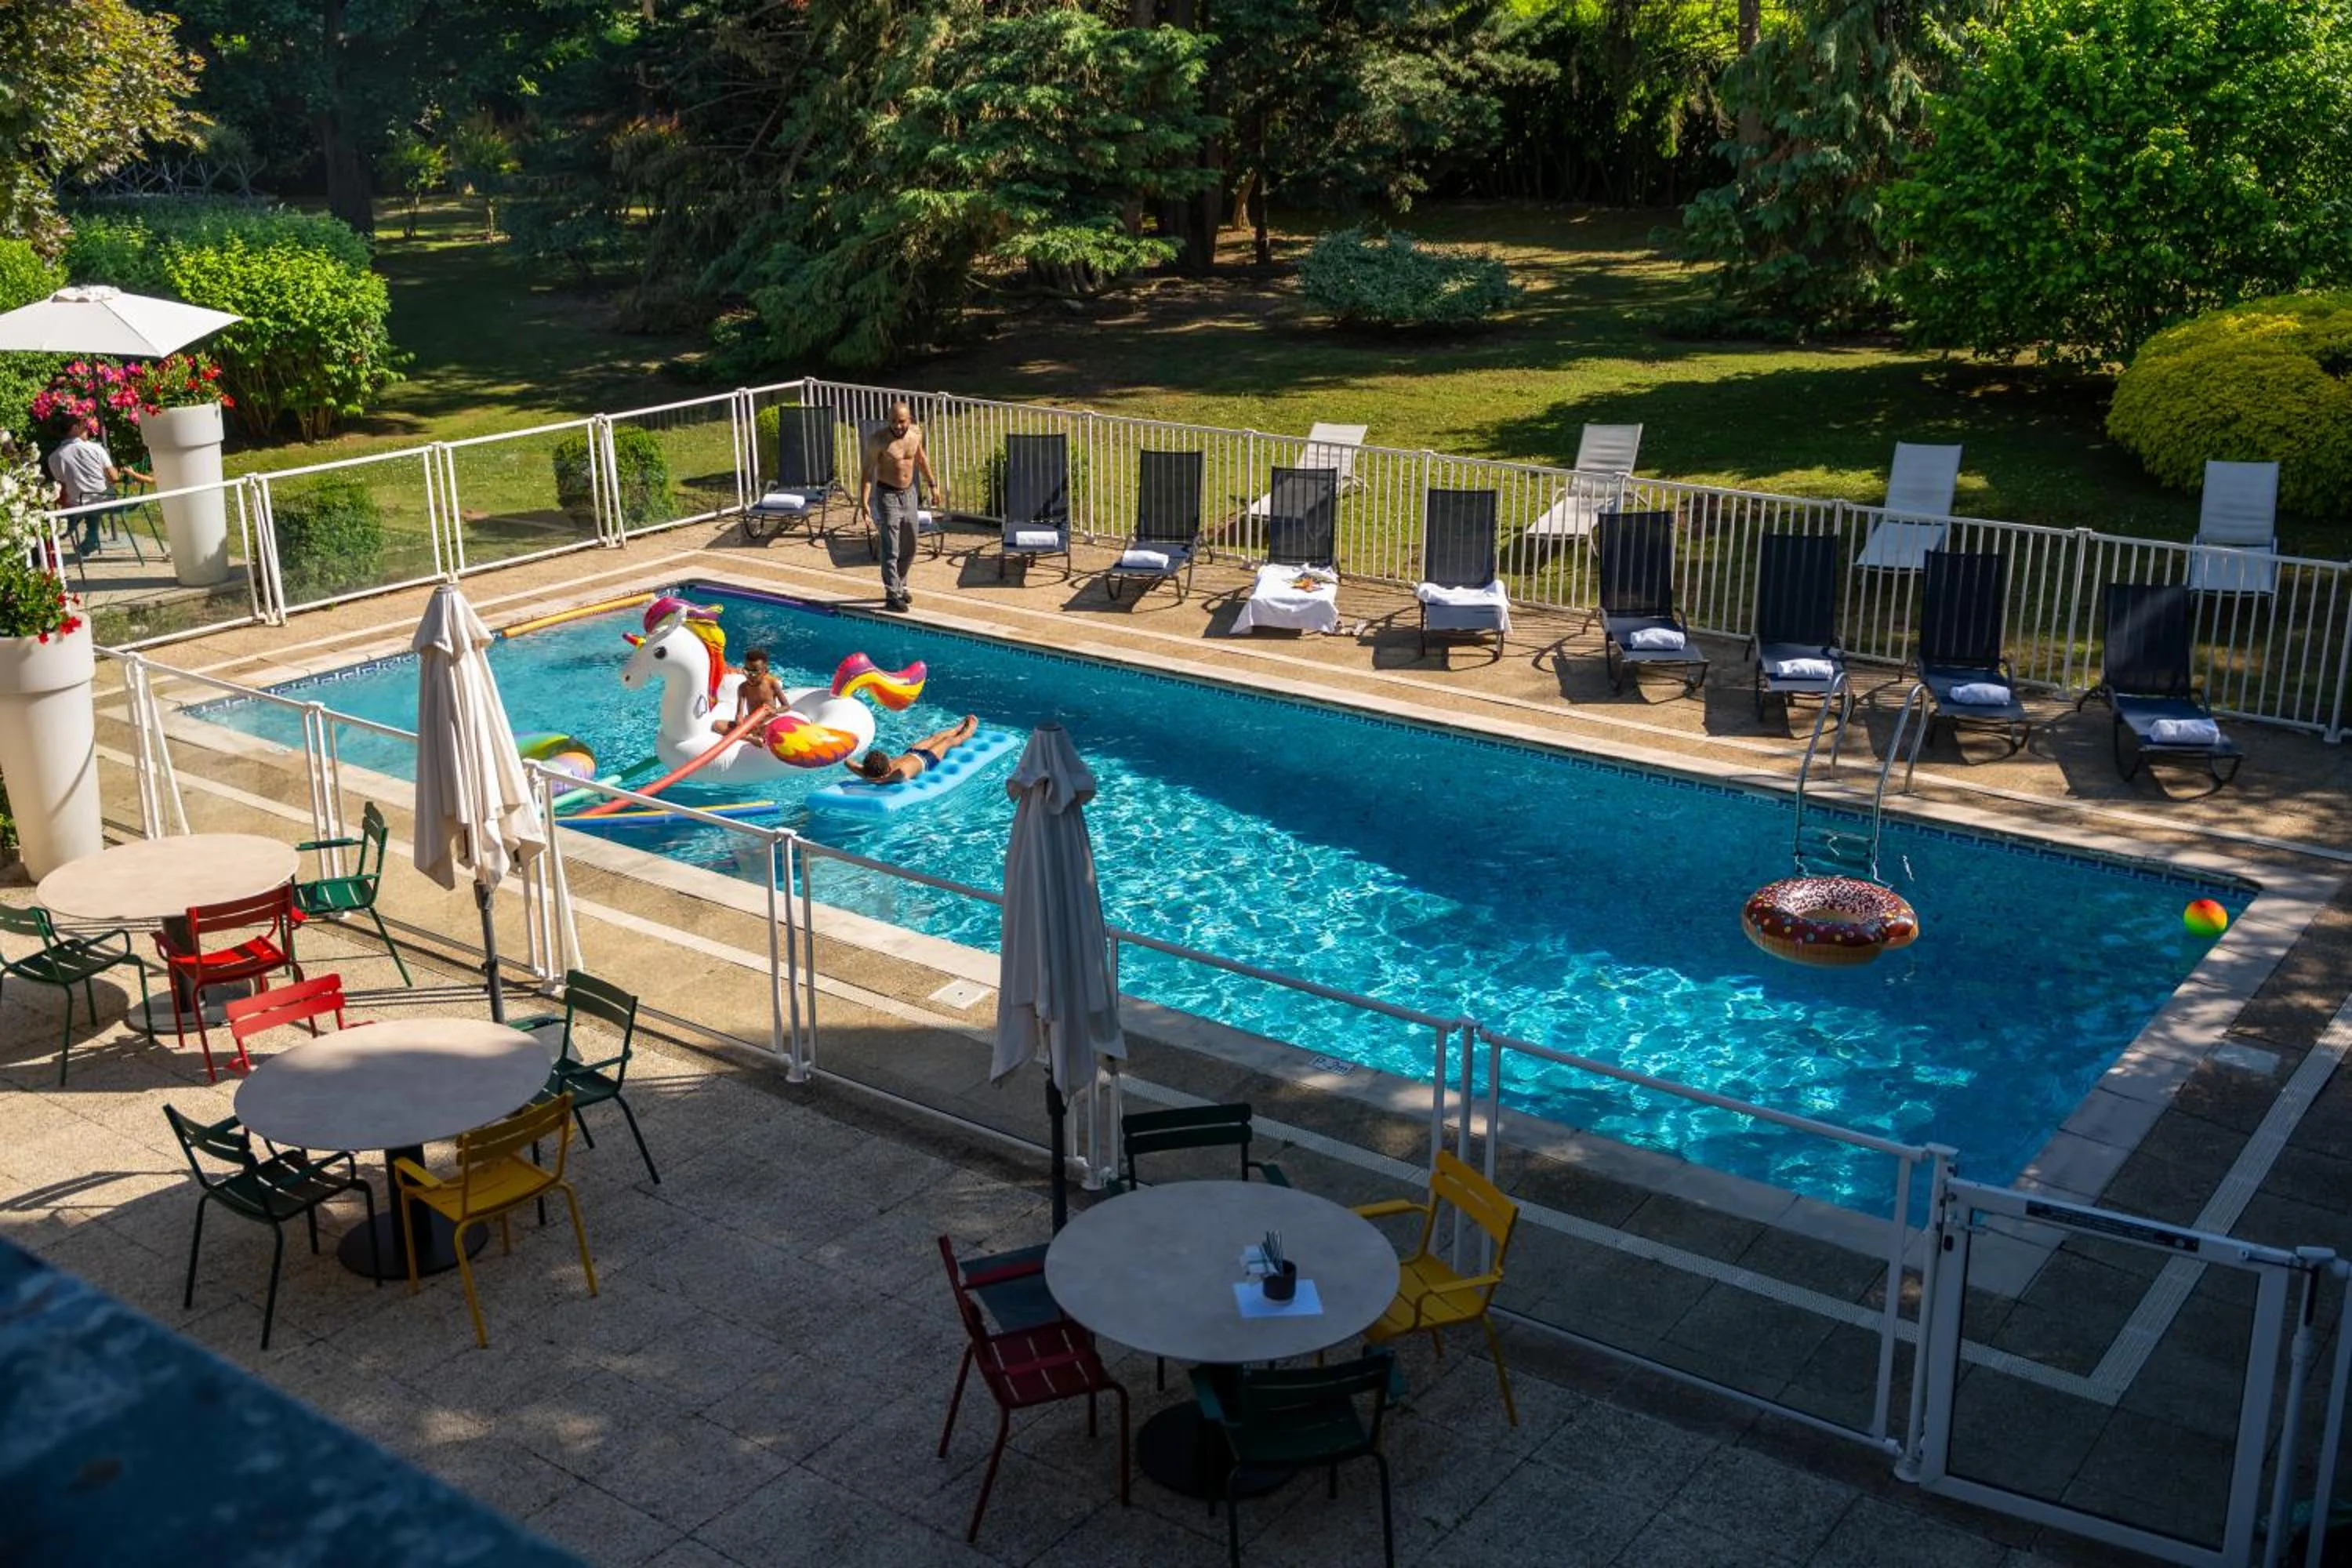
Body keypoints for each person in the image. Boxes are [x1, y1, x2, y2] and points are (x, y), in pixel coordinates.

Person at [860, 401, 946, 612]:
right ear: (888, 420)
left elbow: (922, 459)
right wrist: (863, 503)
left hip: (910, 495)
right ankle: (892, 593)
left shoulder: (916, 434)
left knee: (911, 544)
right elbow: (867, 474)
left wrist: (933, 485)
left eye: (902, 422)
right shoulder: (878, 441)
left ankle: (901, 584)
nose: (898, 426)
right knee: (892, 547)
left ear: (910, 420)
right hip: (887, 495)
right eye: (893, 422)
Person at [45, 418, 150, 558]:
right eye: (84, 427)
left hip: (78, 504)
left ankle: (56, 540)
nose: (87, 431)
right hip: (106, 500)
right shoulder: (95, 448)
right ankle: (89, 541)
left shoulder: (54, 457)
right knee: (95, 504)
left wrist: (65, 505)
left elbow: (62, 489)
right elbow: (114, 477)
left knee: (81, 508)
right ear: (75, 428)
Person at [848, 714, 979, 784]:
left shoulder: (868, 773)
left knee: (934, 737)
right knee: (948, 741)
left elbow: (847, 762)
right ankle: (968, 733)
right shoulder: (897, 775)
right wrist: (881, 780)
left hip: (911, 753)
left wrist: (866, 773)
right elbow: (900, 773)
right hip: (927, 760)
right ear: (887, 769)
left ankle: (956, 729)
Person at [714, 646, 786, 735]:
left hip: (768, 722)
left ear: (765, 671)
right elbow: (739, 712)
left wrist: (775, 711)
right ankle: (749, 738)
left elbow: (786, 706)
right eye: (747, 671)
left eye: (755, 672)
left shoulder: (772, 684)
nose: (750, 675)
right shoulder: (743, 687)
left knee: (777, 731)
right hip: (752, 723)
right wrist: (739, 718)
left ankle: (747, 735)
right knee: (717, 725)